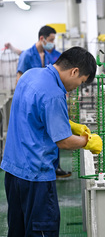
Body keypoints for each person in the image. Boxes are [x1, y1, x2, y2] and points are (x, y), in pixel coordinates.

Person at [0, 46, 102, 236]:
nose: (75, 88)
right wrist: (87, 141)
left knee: (18, 229)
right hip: (36, 176)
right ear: (74, 71)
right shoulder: (54, 94)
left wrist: (69, 124)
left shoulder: (30, 75)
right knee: (42, 230)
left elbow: (34, 114)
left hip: (13, 171)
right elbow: (63, 142)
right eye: (80, 82)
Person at [9, 26, 70, 178]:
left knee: (53, 134)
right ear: (42, 39)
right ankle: (35, 167)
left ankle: (54, 166)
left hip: (47, 102)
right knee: (36, 136)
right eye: (50, 40)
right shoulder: (27, 55)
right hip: (33, 103)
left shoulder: (49, 55)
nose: (52, 43)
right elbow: (20, 78)